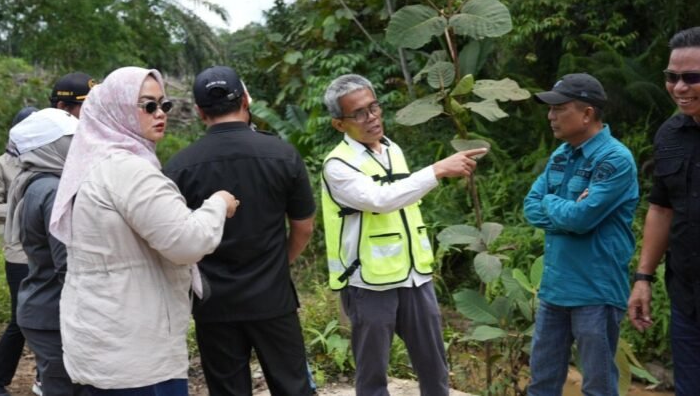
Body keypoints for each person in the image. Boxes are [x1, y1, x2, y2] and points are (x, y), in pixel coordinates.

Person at [50, 66, 238, 395]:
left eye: (163, 104)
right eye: (147, 105)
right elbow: (186, 242)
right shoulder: (128, 170)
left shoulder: (95, 163)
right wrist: (218, 204)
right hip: (136, 350)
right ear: (116, 108)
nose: (159, 113)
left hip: (103, 335)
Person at [321, 74, 485, 395]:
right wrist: (437, 170)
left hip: (415, 277)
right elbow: (381, 200)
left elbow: (404, 196)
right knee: (372, 376)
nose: (371, 118)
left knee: (435, 368)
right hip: (370, 282)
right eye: (359, 113)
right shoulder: (337, 165)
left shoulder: (392, 149)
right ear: (339, 125)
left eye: (374, 108)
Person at [164, 66, 316, 396]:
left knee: (228, 391)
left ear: (201, 112)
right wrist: (280, 264)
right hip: (272, 299)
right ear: (246, 100)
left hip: (214, 304)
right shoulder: (282, 155)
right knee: (293, 387)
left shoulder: (178, 167)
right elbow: (303, 227)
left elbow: (176, 237)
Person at [523, 73, 638, 396]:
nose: (551, 115)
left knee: (597, 387)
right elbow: (530, 207)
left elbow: (581, 218)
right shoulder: (561, 155)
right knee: (541, 384)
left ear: (587, 114)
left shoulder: (615, 159)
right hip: (554, 290)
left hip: (595, 292)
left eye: (559, 108)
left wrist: (552, 202)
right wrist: (561, 206)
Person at [628, 26, 700, 396]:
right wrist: (643, 278)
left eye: (692, 77)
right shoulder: (669, 135)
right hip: (687, 296)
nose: (679, 87)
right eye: (672, 77)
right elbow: (661, 207)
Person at [4, 108, 83, 396]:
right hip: (54, 313)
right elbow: (67, 265)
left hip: (42, 307)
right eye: (71, 141)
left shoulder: (37, 182)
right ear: (53, 148)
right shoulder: (53, 191)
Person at [0, 106, 40, 396]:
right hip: (18, 254)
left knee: (52, 314)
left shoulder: (49, 161)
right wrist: (28, 204)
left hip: (48, 251)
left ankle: (45, 378)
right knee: (20, 319)